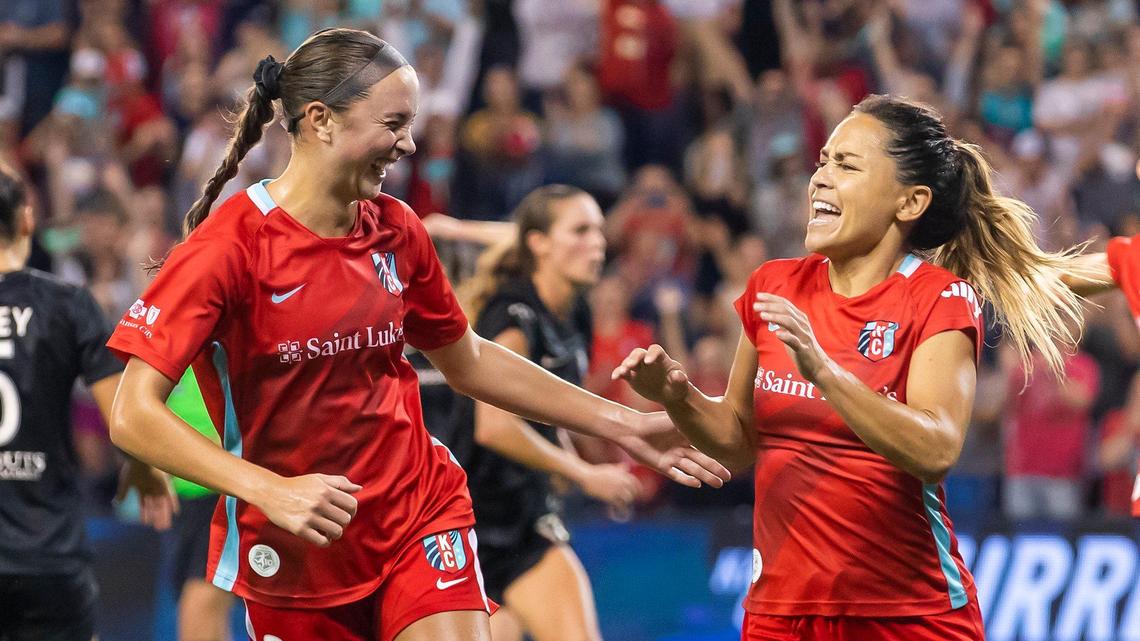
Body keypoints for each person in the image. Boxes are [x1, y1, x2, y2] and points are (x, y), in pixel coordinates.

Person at [106, 28, 728, 641]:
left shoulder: (397, 229)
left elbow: (470, 361)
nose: (408, 143)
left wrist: (626, 425)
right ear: (321, 121)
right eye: (394, 123)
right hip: (295, 544)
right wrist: (268, 489)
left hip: (417, 513)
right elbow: (132, 414)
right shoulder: (228, 248)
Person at [613, 94, 1088, 641]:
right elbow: (739, 442)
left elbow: (936, 450)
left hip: (907, 615)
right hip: (781, 613)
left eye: (847, 165)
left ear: (910, 202)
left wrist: (826, 374)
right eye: (822, 162)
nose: (820, 178)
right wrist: (678, 396)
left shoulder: (938, 298)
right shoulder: (774, 284)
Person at [444, 185, 640, 641]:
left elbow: (548, 410)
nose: (598, 243)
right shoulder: (511, 317)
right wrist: (582, 473)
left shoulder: (576, 314)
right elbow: (494, 427)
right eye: (581, 231)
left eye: (599, 231)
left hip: (526, 522)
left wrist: (567, 457)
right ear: (538, 244)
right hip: (471, 521)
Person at [0, 163, 175, 641]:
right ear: (27, 221)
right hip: (47, 553)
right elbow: (122, 416)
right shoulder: (68, 304)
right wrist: (143, 469)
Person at [1064, 235, 1140, 518]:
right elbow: (1070, 341)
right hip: (1095, 413)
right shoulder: (1089, 310)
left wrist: (1121, 301)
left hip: (1121, 407)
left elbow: (1131, 350)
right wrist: (1092, 300)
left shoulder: (1126, 307)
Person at [164, 367, 237, 641]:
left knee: (199, 613)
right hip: (182, 502)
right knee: (207, 622)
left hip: (222, 496)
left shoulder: (224, 349)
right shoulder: (164, 354)